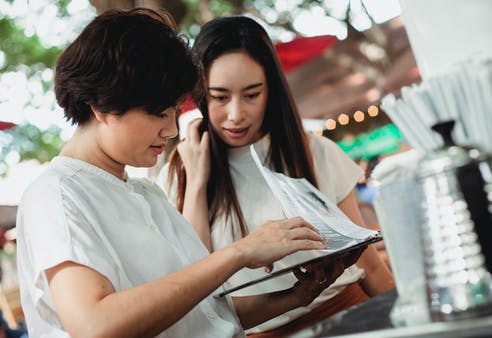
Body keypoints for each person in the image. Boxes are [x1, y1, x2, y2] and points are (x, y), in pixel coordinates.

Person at [15, 8, 346, 338]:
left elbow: (207, 315)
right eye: (160, 113)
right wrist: (240, 253)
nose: (172, 130)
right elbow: (95, 325)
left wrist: (296, 295)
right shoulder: (57, 195)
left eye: (175, 113)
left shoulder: (145, 193)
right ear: (102, 105)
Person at [159, 16, 395, 337]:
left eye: (252, 95)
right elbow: (198, 279)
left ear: (271, 90)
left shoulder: (312, 150)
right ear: (201, 94)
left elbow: (365, 262)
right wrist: (198, 182)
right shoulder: (180, 172)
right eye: (220, 97)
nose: (236, 114)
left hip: (353, 316)